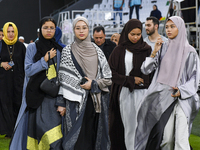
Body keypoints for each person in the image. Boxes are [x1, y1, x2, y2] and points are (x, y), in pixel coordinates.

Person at [135, 16, 200, 150]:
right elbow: (145, 70)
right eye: (167, 27)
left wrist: (181, 90)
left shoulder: (190, 52)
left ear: (180, 28)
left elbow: (195, 79)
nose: (169, 30)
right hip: (164, 98)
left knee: (181, 141)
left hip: (183, 100)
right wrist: (154, 52)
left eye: (172, 26)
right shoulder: (163, 48)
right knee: (167, 141)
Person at [57, 16, 112, 150]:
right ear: (73, 30)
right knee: (76, 139)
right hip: (74, 102)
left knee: (93, 137)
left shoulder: (97, 51)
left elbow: (108, 78)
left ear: (89, 30)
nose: (81, 31)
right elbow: (63, 79)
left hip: (95, 101)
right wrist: (61, 103)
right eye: (78, 28)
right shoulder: (67, 51)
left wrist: (93, 84)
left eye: (84, 28)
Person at [10, 17, 63, 149]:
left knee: (55, 137)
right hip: (36, 98)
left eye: (52, 28)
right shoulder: (33, 47)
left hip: (53, 98)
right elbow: (28, 70)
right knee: (37, 136)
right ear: (40, 30)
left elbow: (61, 75)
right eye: (45, 28)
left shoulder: (59, 48)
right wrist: (44, 60)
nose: (49, 30)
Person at [108, 19, 152, 150]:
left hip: (144, 93)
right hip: (126, 92)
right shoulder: (119, 50)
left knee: (144, 127)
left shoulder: (146, 49)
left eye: (138, 34)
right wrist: (130, 80)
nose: (136, 37)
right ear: (126, 32)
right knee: (130, 127)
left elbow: (151, 71)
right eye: (132, 34)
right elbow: (111, 73)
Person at [0, 22, 26, 138]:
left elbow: (25, 63)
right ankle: (9, 131)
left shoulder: (21, 46)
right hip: (4, 81)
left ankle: (17, 129)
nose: (10, 34)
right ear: (5, 32)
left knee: (18, 103)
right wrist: (1, 64)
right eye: (8, 31)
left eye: (12, 31)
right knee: (6, 104)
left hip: (18, 80)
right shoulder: (0, 45)